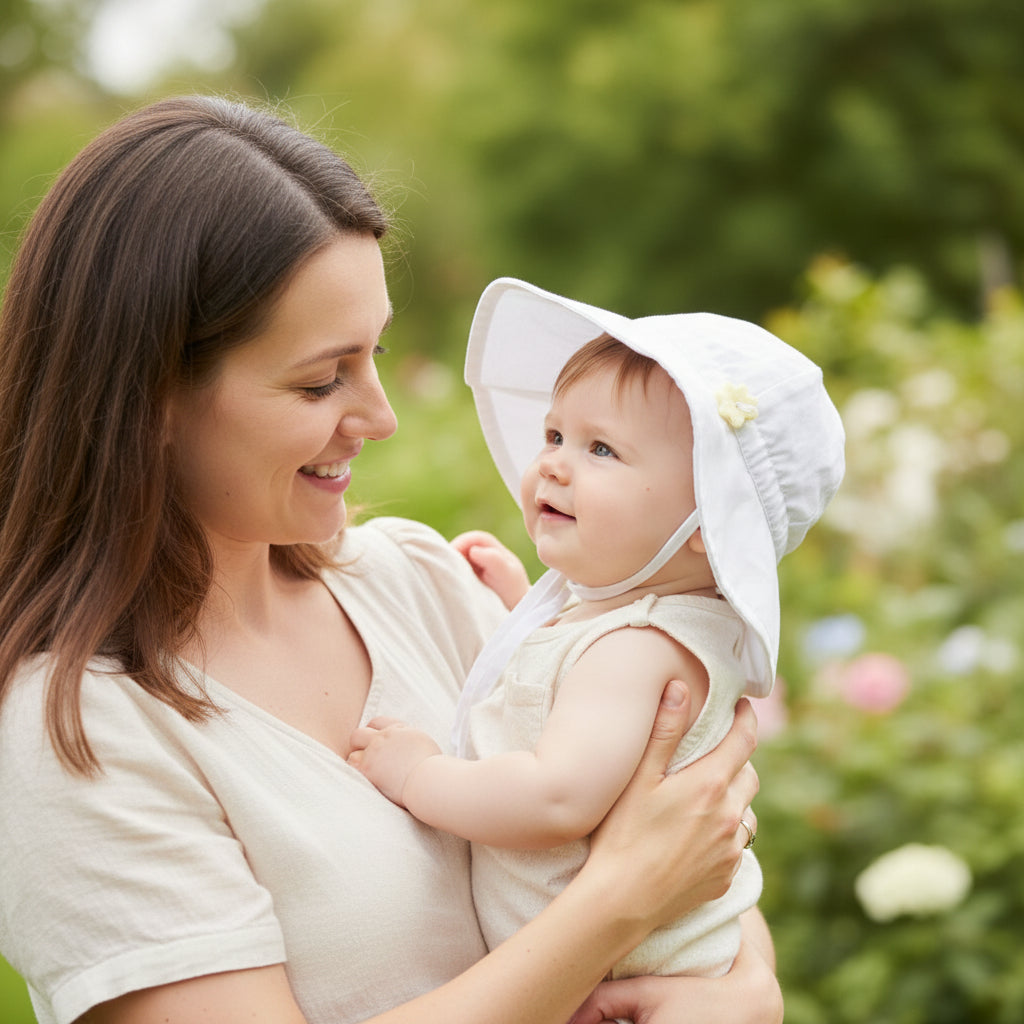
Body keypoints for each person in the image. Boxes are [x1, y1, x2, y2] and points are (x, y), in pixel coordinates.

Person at [0, 96, 781, 1024]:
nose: (380, 415)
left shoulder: (425, 583)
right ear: (151, 397)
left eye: (375, 354)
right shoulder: (80, 732)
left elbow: (693, 840)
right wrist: (617, 905)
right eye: (322, 378)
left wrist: (746, 990)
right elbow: (641, 876)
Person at [350, 279, 845, 981]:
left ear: (709, 523)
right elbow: (570, 690)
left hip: (615, 985)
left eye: (601, 450)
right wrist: (525, 607)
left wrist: (418, 773)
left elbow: (555, 798)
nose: (552, 461)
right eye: (554, 434)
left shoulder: (637, 653)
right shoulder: (637, 628)